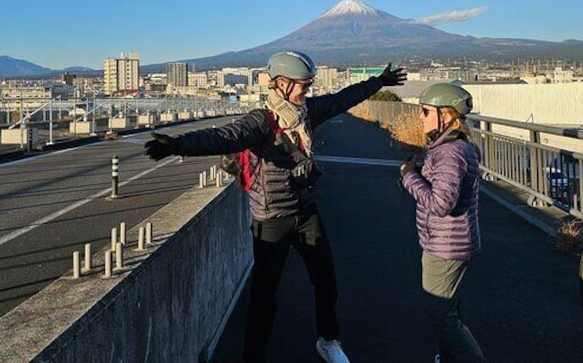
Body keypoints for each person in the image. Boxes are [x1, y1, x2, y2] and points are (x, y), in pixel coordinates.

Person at [144, 51, 406, 363]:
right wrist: (176, 145)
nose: (306, 91)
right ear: (279, 85)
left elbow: (341, 100)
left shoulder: (305, 113)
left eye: (308, 85)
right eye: (302, 86)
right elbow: (224, 137)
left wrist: (379, 82)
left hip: (305, 211)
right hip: (271, 219)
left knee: (326, 280)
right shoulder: (262, 122)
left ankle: (328, 340)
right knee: (264, 298)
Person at [398, 83, 485, 363]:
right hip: (451, 240)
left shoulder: (450, 152)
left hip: (446, 246)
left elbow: (440, 204)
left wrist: (408, 176)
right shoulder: (453, 146)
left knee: (443, 317)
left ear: (445, 116)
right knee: (450, 310)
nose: (420, 117)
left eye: (425, 111)